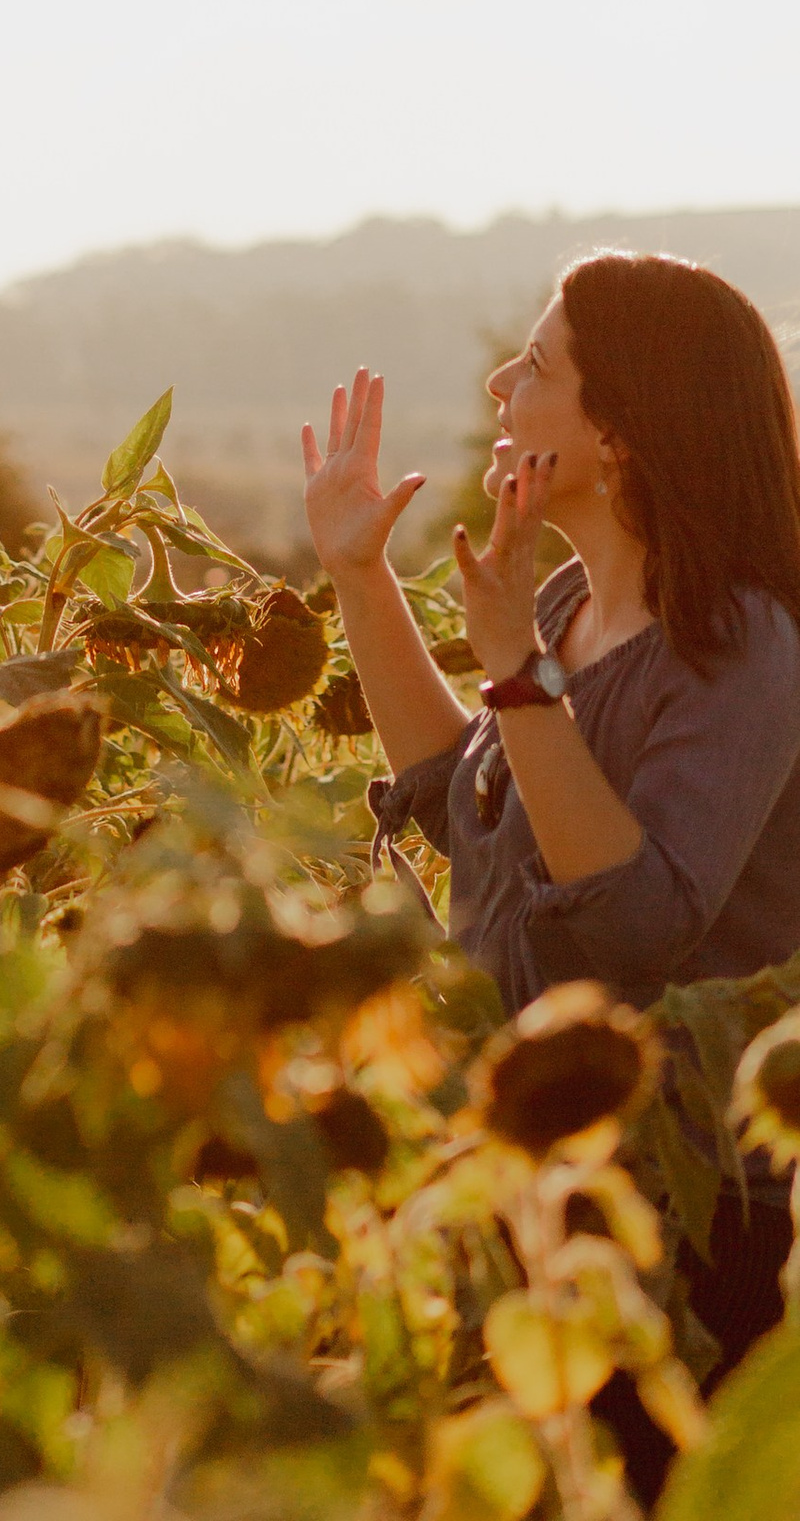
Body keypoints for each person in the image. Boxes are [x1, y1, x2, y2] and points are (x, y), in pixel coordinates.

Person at [302, 253, 800, 1482]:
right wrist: (360, 574)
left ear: (620, 431)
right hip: (542, 1178)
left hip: (688, 1213)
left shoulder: (736, 642)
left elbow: (632, 923)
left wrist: (518, 671)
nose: (500, 383)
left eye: (537, 367)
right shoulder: (574, 604)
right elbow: (461, 807)